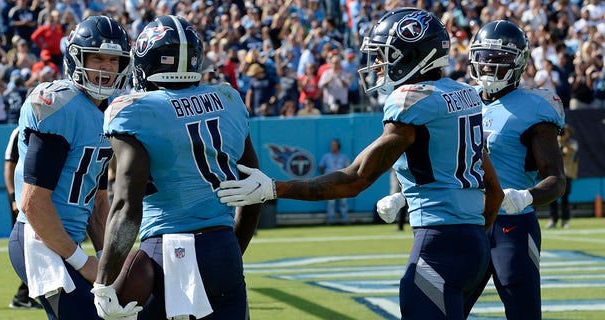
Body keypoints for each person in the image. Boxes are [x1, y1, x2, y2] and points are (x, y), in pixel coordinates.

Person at [217, 8, 504, 319]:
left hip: (438, 246)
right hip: (475, 245)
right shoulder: (465, 95)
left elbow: (355, 179)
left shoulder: (412, 101)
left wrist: (274, 188)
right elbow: (493, 191)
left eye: (388, 55)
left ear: (415, 55)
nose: (380, 65)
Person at [94, 15, 262, 320]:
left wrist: (103, 283)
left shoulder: (134, 110)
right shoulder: (229, 99)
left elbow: (126, 205)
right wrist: (231, 249)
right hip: (222, 246)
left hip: (165, 251)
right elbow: (253, 190)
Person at [7, 15, 132, 319]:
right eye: (97, 58)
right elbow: (33, 203)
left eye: (113, 60)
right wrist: (83, 262)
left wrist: (107, 263)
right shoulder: (60, 104)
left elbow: (98, 200)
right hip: (39, 240)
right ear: (77, 58)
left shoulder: (111, 111)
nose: (105, 67)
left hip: (67, 240)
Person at [464, 20, 566, 320]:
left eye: (499, 58)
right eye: (484, 56)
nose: (488, 65)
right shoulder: (462, 101)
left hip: (512, 226)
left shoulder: (534, 106)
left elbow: (556, 179)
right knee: (444, 311)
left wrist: (527, 196)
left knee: (523, 313)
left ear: (519, 62)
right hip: (465, 224)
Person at [4, 127, 43, 309]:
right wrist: (13, 197)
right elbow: (9, 166)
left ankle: (27, 293)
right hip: (22, 199)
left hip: (42, 197)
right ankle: (23, 294)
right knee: (26, 246)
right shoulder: (19, 131)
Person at [548, 124, 578, 229]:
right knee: (552, 198)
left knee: (565, 198)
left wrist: (564, 141)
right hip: (554, 173)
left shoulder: (573, 143)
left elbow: (570, 151)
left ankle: (565, 220)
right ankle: (553, 219)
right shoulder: (555, 142)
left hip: (567, 174)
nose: (565, 134)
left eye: (567, 132)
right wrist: (558, 140)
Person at [318, 139, 350, 225]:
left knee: (343, 201)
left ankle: (345, 220)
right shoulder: (326, 156)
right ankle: (330, 220)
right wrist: (325, 176)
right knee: (331, 202)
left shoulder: (343, 157)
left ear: (338, 146)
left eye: (334, 145)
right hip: (330, 182)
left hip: (341, 182)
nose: (333, 146)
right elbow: (321, 167)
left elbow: (349, 168)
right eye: (332, 145)